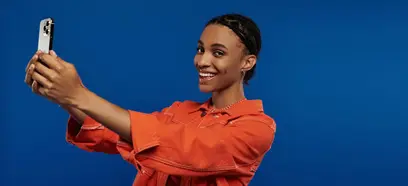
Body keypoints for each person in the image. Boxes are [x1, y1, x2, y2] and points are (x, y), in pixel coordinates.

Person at [24, 13, 276, 186]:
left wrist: (79, 94)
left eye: (217, 53)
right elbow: (120, 134)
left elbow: (187, 149)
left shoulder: (257, 127)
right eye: (200, 49)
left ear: (247, 62)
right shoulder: (181, 111)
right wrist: (64, 96)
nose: (202, 61)